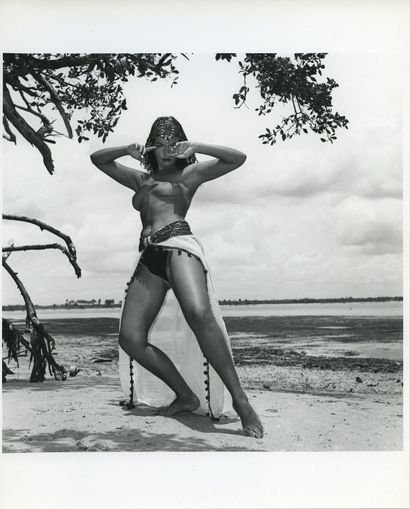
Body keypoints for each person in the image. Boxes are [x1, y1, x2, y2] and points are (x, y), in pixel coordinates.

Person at [90, 116, 263, 438]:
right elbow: (98, 159)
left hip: (180, 245)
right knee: (130, 338)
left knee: (199, 314)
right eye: (162, 146)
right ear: (151, 148)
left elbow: (236, 158)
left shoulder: (189, 174)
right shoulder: (140, 179)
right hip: (150, 256)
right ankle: (185, 395)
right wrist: (125, 149)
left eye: (175, 145)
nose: (169, 152)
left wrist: (198, 146)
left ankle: (242, 403)